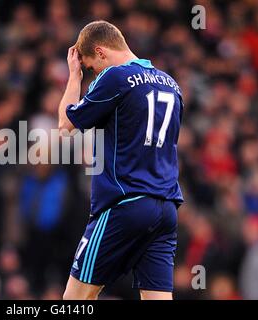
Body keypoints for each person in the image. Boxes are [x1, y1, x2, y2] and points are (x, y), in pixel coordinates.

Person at [58, 21, 183, 300]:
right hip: (166, 209)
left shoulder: (115, 77)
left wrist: (75, 77)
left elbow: (65, 125)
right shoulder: (172, 85)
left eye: (91, 66)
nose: (93, 74)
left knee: (74, 299)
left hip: (125, 205)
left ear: (101, 53)